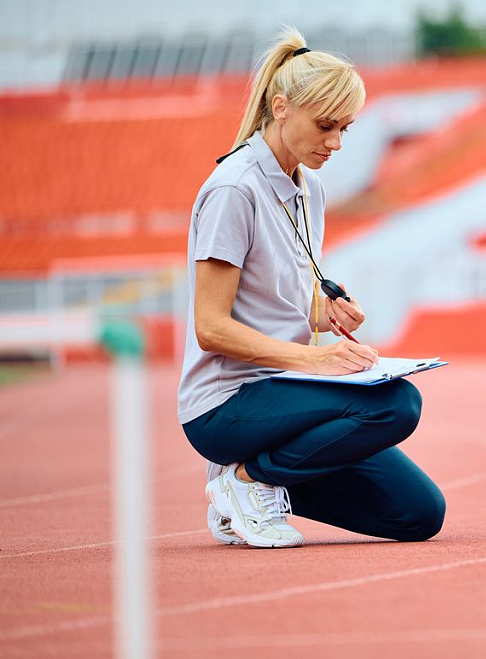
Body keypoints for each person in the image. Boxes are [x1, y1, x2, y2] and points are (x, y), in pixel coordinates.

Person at [177, 27, 445, 548]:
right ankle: (243, 482)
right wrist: (315, 361)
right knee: (395, 405)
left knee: (418, 515)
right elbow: (211, 327)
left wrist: (326, 315)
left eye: (345, 128)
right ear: (280, 108)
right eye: (326, 126)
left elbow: (277, 299)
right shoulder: (234, 189)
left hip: (285, 393)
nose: (337, 143)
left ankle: (248, 487)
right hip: (225, 404)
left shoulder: (309, 187)